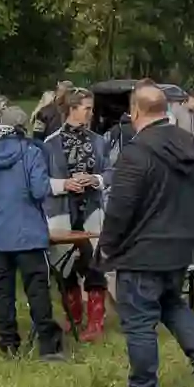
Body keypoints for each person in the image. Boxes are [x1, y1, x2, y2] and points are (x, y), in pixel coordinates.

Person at [98, 81, 194, 387]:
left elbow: (119, 208)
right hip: (180, 243)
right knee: (171, 303)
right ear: (166, 109)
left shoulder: (136, 152)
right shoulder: (191, 144)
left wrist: (108, 247)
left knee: (139, 320)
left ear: (135, 111)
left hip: (142, 249)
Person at [0, 105, 66, 359]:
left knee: (1, 289)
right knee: (36, 287)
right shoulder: (31, 152)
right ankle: (47, 343)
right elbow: (39, 190)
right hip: (26, 230)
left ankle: (8, 342)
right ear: (22, 127)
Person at [42, 88, 111, 342]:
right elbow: (40, 181)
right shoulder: (50, 144)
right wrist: (64, 184)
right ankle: (73, 317)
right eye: (87, 108)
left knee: (94, 266)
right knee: (64, 268)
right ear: (72, 109)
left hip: (92, 209)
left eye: (91, 108)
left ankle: (96, 323)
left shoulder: (98, 141)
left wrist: (96, 179)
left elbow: (112, 172)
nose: (91, 113)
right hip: (62, 210)